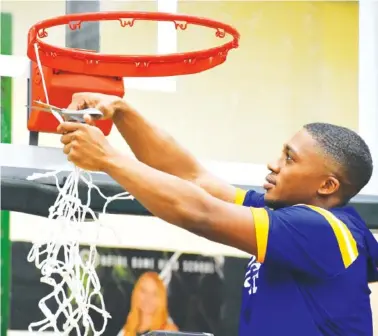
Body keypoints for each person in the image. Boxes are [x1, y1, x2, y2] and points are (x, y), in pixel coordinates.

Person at [58, 92, 378, 336]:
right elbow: (195, 179)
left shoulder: (323, 230)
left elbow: (200, 213)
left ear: (327, 185)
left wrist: (108, 159)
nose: (274, 164)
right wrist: (122, 112)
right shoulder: (283, 213)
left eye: (290, 159)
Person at [123, 272, 178, 336]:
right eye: (144, 291)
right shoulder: (129, 327)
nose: (148, 298)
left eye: (154, 294)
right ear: (136, 293)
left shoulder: (169, 331)